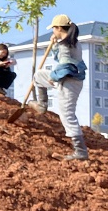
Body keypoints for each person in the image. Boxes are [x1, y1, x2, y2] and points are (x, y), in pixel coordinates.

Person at [28, 14, 88, 160]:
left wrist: (54, 76)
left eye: (54, 28)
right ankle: (42, 105)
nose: (53, 31)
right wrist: (54, 45)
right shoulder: (72, 43)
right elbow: (61, 59)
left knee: (67, 114)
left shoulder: (66, 45)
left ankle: (80, 151)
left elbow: (66, 65)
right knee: (39, 75)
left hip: (69, 82)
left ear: (59, 28)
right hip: (66, 79)